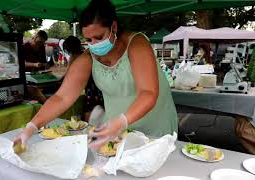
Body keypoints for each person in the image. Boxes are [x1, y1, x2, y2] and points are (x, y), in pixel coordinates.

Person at [14, 0, 178, 149]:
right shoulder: (88, 57)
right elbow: (62, 97)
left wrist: (122, 120)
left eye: (99, 37)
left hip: (154, 125)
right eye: (88, 39)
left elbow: (148, 92)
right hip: (117, 130)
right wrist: (32, 126)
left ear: (113, 27)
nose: (94, 44)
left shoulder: (137, 44)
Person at [62, 35, 104, 121]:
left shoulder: (75, 57)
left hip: (90, 87)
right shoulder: (87, 54)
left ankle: (89, 127)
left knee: (89, 108)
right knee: (97, 107)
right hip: (99, 84)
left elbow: (68, 76)